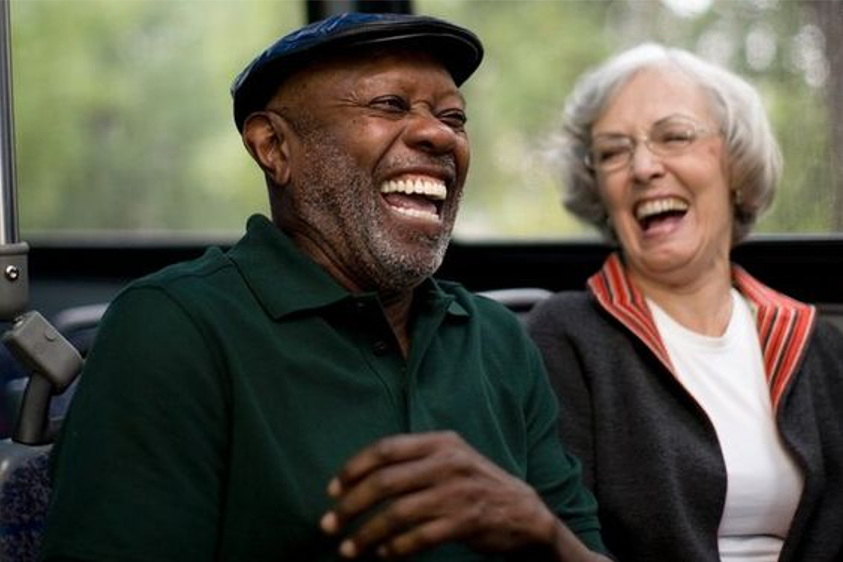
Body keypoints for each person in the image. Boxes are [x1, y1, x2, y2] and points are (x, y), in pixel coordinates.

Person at [41, 12, 610, 561]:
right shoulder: (174, 329)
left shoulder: (498, 340)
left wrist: (543, 533)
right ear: (274, 147)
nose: (439, 135)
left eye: (454, 118)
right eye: (390, 105)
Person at [526, 42, 843, 562]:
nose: (643, 167)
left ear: (736, 164)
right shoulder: (563, 338)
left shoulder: (818, 347)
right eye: (613, 152)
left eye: (673, 136)